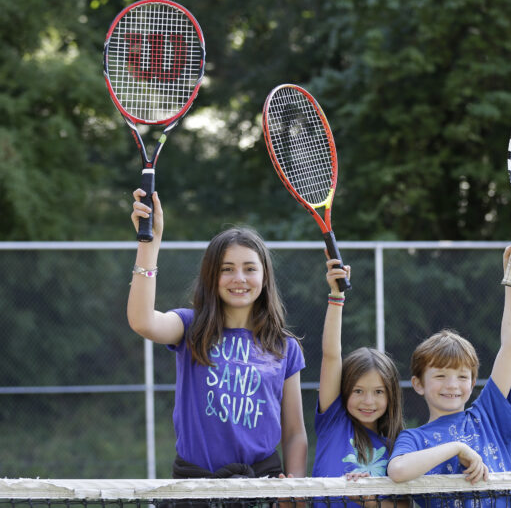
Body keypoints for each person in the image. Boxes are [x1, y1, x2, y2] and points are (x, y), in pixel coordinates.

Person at [127, 189, 308, 479]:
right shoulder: (189, 327)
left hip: (262, 487)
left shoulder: (284, 346)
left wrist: (295, 491)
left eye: (250, 269)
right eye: (227, 269)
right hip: (196, 487)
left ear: (264, 277)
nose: (239, 278)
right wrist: (150, 241)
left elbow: (295, 433)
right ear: (212, 276)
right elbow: (142, 321)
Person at [387, 242, 511, 507]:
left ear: (473, 382)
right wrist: (457, 448)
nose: (452, 385)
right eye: (440, 376)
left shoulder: (488, 416)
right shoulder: (414, 438)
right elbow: (397, 471)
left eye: (462, 377)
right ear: (418, 384)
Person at [312, 258, 404, 481]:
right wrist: (337, 296)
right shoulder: (334, 423)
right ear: (344, 391)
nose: (368, 401)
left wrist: (369, 499)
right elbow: (331, 356)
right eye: (358, 391)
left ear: (391, 395)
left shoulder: (400, 451)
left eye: (378, 392)